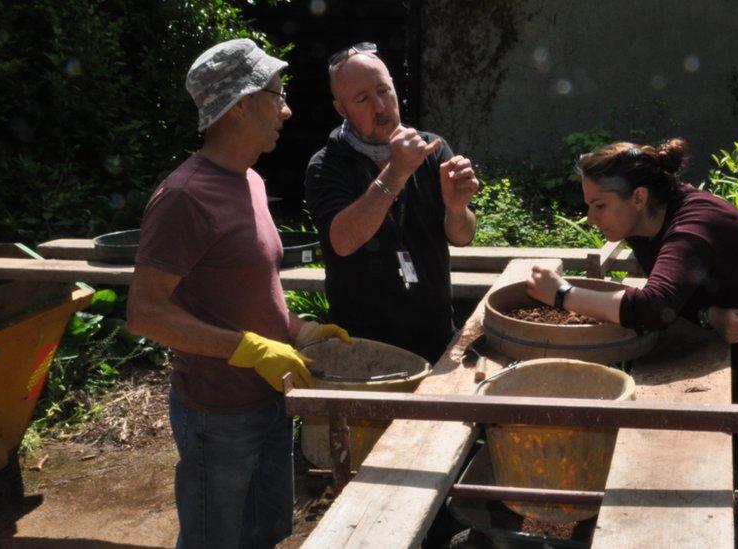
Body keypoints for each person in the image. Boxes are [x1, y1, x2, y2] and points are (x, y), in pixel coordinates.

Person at [526, 139, 738, 547]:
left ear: (639, 197)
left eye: (599, 205)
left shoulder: (693, 225)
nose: (590, 217)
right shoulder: (647, 226)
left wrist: (562, 295)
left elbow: (654, 307)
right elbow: (679, 296)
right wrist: (707, 315)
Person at [126, 38, 350, 548]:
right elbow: (144, 313)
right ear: (241, 104)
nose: (287, 110)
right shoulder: (184, 196)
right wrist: (246, 349)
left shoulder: (248, 179)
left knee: (266, 531)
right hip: (217, 413)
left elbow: (251, 286)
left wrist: (299, 330)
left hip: (270, 397)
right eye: (277, 95)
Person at [303, 42, 479, 363]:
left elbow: (462, 235)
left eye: (384, 90)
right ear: (340, 109)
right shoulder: (326, 164)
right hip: (363, 350)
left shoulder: (433, 149)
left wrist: (456, 208)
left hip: (436, 339)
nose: (381, 106)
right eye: (362, 99)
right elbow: (342, 241)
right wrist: (396, 172)